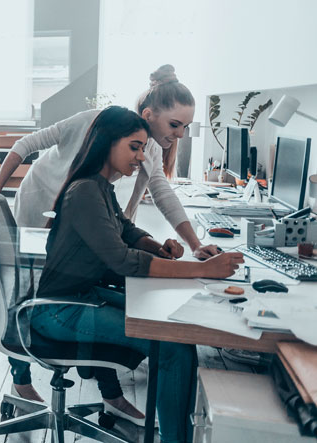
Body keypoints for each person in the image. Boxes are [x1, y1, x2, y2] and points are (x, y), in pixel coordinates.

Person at [0, 64, 221, 407]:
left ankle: (109, 391)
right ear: (149, 115)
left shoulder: (131, 160)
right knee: (25, 290)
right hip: (41, 203)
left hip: (83, 217)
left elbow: (159, 196)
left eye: (185, 127)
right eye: (174, 125)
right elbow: (27, 143)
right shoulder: (96, 136)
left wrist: (193, 245)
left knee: (95, 283)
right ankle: (22, 379)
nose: (179, 134)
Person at [27, 106, 244, 442]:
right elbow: (122, 260)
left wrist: (158, 247)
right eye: (134, 147)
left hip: (80, 298)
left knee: (177, 335)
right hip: (59, 310)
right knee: (171, 347)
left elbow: (126, 230)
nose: (142, 157)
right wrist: (202, 269)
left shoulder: (100, 187)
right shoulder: (84, 191)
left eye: (142, 148)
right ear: (106, 142)